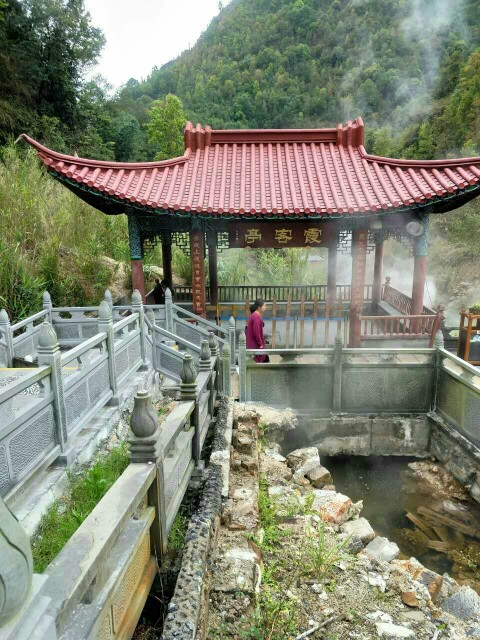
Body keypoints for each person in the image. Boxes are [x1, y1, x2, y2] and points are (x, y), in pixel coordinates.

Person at [245, 298, 269, 363]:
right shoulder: (256, 316)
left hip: (252, 345)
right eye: (264, 305)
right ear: (259, 307)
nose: (265, 307)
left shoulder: (254, 315)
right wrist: (260, 344)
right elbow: (256, 332)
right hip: (255, 345)